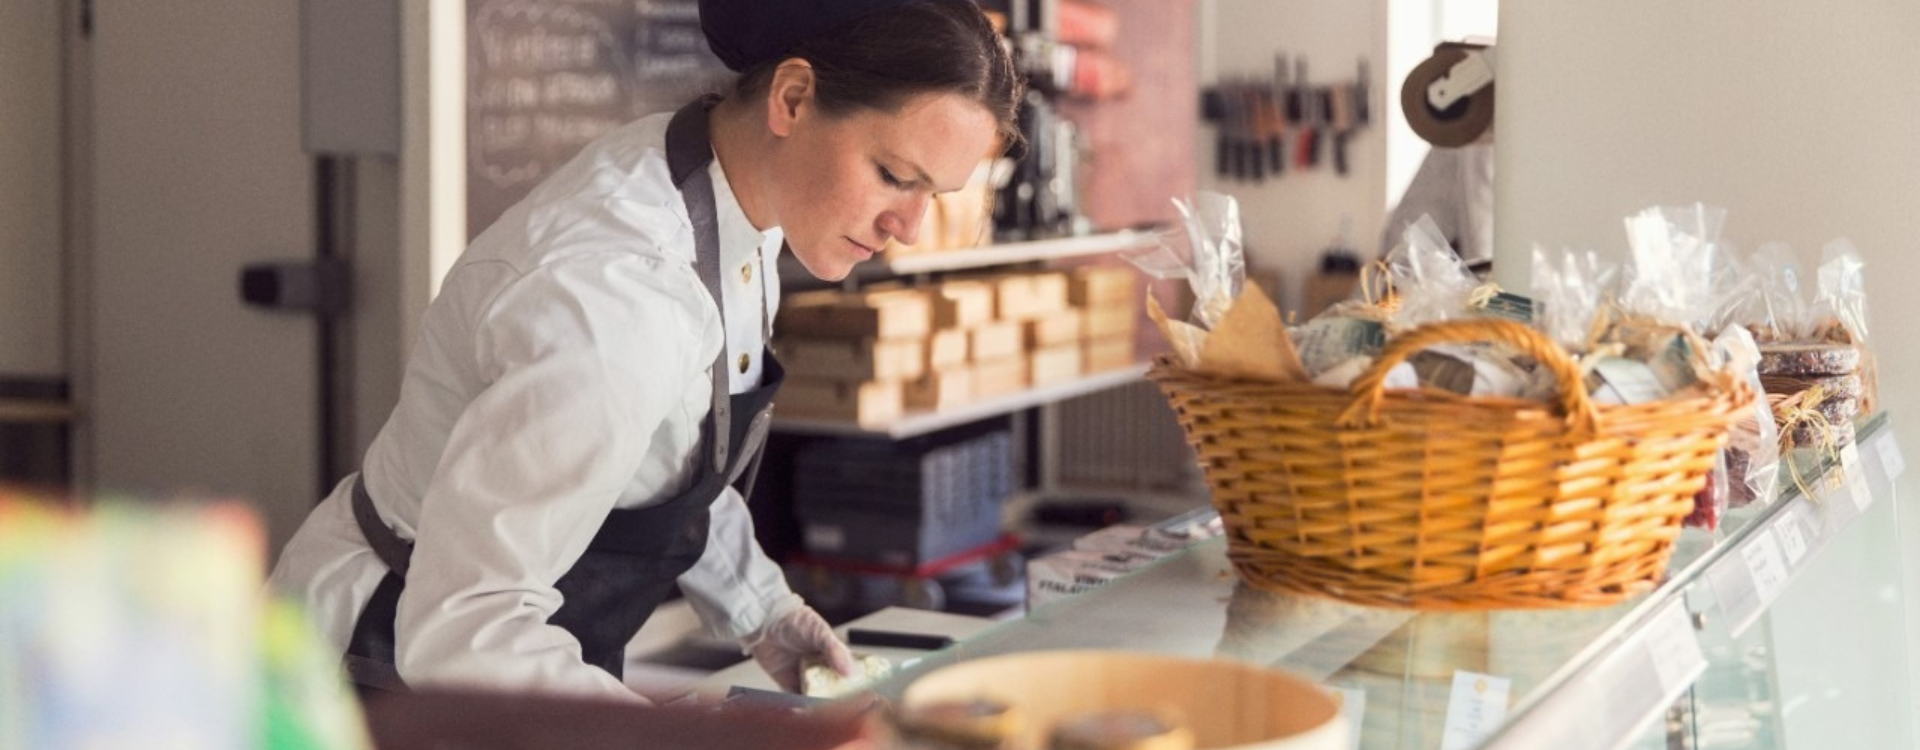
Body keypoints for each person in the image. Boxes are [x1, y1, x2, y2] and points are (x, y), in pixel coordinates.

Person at [268, 0, 1023, 701]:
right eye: (894, 176)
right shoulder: (618, 296)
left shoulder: (728, 196)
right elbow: (464, 626)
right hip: (381, 661)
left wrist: (763, 611)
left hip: (506, 650)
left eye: (936, 194)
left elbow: (672, 454)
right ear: (792, 99)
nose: (911, 228)